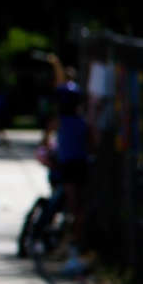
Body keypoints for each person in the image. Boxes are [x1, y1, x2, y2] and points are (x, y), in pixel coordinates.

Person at [43, 79, 91, 236]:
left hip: (68, 167)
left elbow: (45, 142)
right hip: (81, 165)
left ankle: (71, 241)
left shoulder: (58, 121)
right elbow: (93, 143)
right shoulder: (83, 122)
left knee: (73, 207)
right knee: (79, 208)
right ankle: (73, 243)